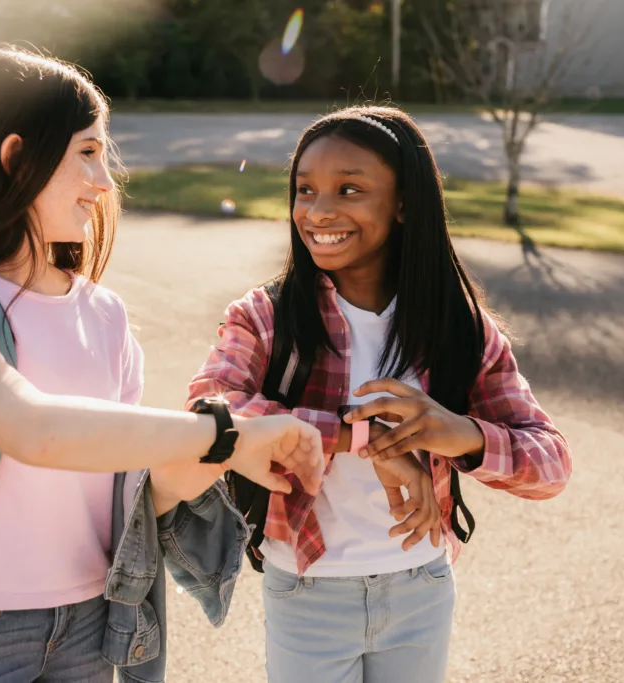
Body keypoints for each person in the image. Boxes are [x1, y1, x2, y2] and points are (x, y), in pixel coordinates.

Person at [0, 47, 324, 683]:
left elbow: (130, 490)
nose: (106, 180)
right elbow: (32, 428)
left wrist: (225, 456)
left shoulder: (103, 313)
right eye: (87, 151)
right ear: (15, 158)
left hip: (92, 619)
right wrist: (223, 431)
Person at [186, 106, 572, 683]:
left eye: (349, 190)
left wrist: (456, 432)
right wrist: (369, 436)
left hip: (421, 584)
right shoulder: (265, 317)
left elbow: (551, 464)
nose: (318, 212)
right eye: (305, 190)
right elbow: (208, 415)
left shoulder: (456, 327)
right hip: (307, 589)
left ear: (402, 204)